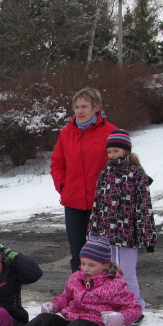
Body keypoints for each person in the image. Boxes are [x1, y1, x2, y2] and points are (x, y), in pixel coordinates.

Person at [0, 237, 141, 326]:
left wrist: (119, 318)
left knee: (80, 325)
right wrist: (54, 305)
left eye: (91, 265)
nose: (85, 269)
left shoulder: (115, 285)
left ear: (106, 265)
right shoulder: (76, 278)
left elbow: (134, 308)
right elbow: (66, 297)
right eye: (83, 263)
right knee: (47, 319)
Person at [51, 87, 119, 272]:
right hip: (73, 201)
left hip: (101, 203)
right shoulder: (66, 133)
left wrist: (110, 193)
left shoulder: (111, 132)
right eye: (76, 107)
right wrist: (63, 186)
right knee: (77, 252)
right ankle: (78, 286)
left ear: (96, 108)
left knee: (101, 252)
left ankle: (104, 286)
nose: (79, 111)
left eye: (84, 107)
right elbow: (57, 164)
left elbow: (120, 165)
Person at [88, 130, 157, 310]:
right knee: (107, 273)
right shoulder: (105, 174)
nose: (112, 155)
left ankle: (135, 306)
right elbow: (97, 205)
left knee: (126, 273)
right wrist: (93, 232)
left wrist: (147, 235)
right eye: (109, 152)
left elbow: (144, 206)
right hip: (106, 235)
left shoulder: (136, 173)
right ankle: (111, 305)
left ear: (126, 150)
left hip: (128, 235)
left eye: (116, 151)